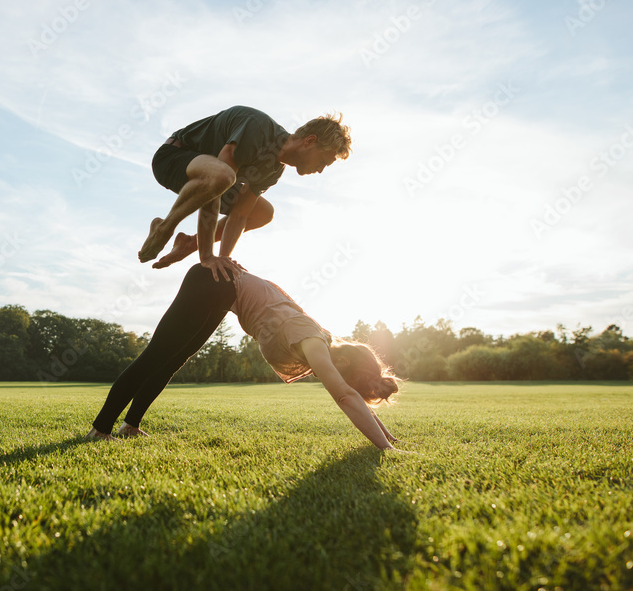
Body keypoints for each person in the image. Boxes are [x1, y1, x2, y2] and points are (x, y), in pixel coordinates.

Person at [86, 264, 402, 450]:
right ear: (343, 365)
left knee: (172, 360)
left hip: (223, 291)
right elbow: (346, 397)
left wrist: (390, 436)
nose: (333, 381)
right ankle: (100, 429)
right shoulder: (313, 341)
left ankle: (130, 425)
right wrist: (387, 450)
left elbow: (351, 395)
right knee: (157, 355)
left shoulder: (320, 340)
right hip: (213, 282)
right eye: (344, 378)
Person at [139, 106, 352, 281]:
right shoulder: (257, 128)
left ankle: (188, 243)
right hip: (173, 158)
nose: (321, 169)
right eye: (323, 161)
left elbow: (239, 215)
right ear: (310, 141)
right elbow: (216, 187)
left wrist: (223, 259)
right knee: (223, 177)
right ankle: (165, 228)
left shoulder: (275, 169)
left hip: (210, 180)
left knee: (263, 212)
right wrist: (206, 257)